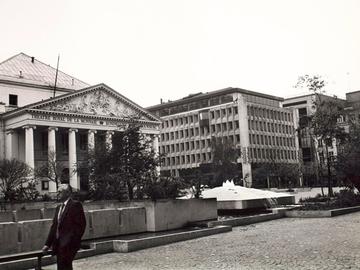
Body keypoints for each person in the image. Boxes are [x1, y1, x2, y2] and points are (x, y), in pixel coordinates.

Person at [42, 184, 86, 270]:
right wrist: (47, 244)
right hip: (58, 245)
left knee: (65, 266)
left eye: (59, 192)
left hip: (69, 245)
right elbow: (54, 227)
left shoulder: (75, 205)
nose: (57, 194)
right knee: (62, 267)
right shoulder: (58, 208)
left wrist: (71, 241)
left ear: (67, 193)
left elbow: (81, 225)